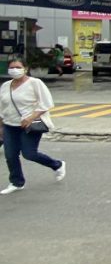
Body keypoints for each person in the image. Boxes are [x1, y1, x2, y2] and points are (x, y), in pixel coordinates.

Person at [1, 59, 66, 194]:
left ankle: (57, 165)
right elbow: (2, 107)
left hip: (30, 125)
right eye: (11, 67)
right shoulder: (5, 86)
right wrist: (1, 126)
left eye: (18, 67)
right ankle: (16, 182)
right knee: (10, 155)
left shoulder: (35, 83)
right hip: (9, 125)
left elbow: (46, 103)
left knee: (29, 154)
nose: (14, 70)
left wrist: (30, 118)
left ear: (25, 68)